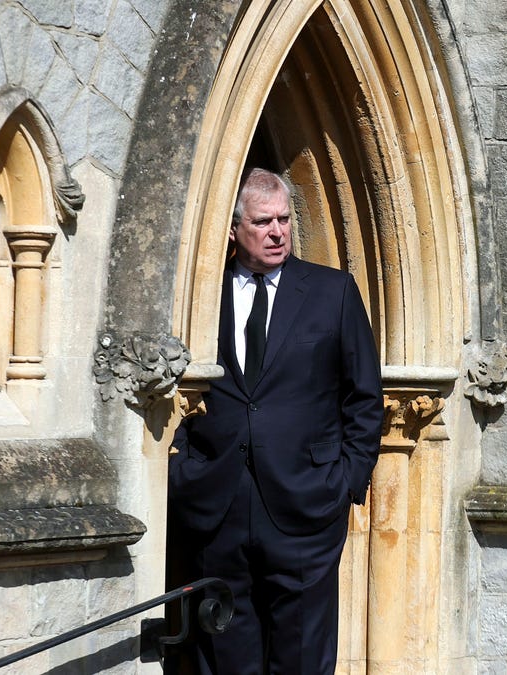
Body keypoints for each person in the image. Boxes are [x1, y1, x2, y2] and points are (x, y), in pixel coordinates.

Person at [169, 168, 383, 674]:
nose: (277, 231)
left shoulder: (333, 292)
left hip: (306, 510)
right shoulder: (200, 295)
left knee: (303, 661)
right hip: (216, 510)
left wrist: (346, 484)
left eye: (284, 219)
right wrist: (185, 475)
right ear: (233, 229)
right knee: (225, 660)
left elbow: (365, 398)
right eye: (263, 221)